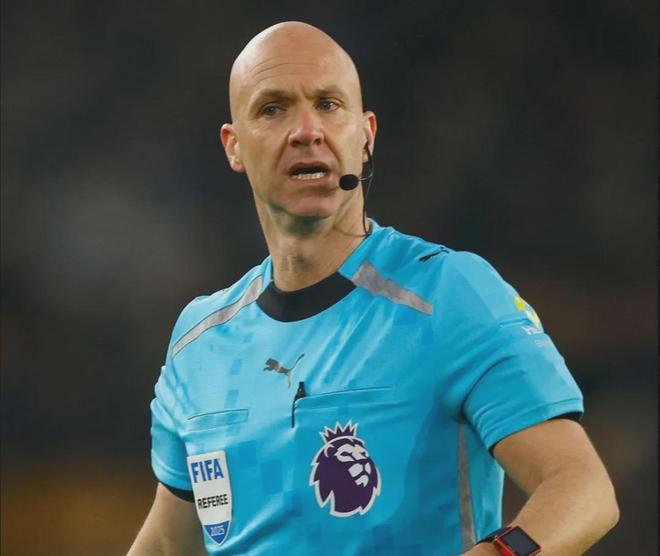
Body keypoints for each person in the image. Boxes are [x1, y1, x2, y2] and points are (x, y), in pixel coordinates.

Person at [128, 21, 619, 556]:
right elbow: (167, 543)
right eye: (272, 109)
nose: (307, 130)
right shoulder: (198, 344)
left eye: (328, 104)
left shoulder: (449, 295)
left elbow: (581, 487)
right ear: (234, 146)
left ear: (365, 136)